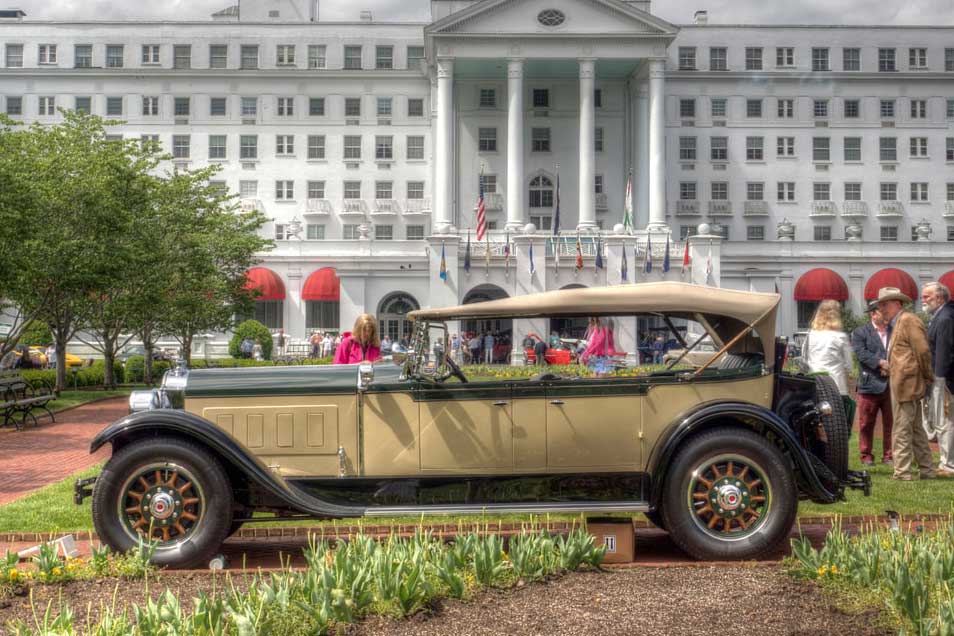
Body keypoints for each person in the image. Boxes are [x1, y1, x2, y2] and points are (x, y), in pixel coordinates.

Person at [878, 286, 936, 481]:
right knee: (916, 429)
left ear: (897, 303)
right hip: (904, 382)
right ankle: (927, 470)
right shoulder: (901, 321)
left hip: (907, 384)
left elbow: (923, 352)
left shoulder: (908, 320)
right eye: (880, 305)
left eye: (885, 305)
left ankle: (902, 472)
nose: (882, 309)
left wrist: (927, 376)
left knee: (902, 428)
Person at [851, 301, 893, 466]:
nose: (887, 315)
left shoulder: (894, 331)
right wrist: (881, 363)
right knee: (866, 423)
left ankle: (889, 456)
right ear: (873, 314)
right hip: (869, 385)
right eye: (884, 312)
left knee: (891, 424)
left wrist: (892, 366)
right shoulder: (860, 332)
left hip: (891, 384)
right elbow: (861, 354)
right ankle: (866, 455)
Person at [921, 282, 954, 476]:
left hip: (943, 379)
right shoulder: (940, 316)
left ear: (939, 298)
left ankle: (948, 464)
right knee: (941, 421)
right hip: (941, 377)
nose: (923, 300)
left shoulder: (944, 318)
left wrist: (938, 380)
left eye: (927, 297)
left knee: (944, 422)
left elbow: (944, 351)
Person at [800, 300, 854, 399]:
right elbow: (849, 365)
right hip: (837, 386)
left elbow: (804, 359)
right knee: (838, 414)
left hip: (815, 384)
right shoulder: (840, 337)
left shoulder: (810, 335)